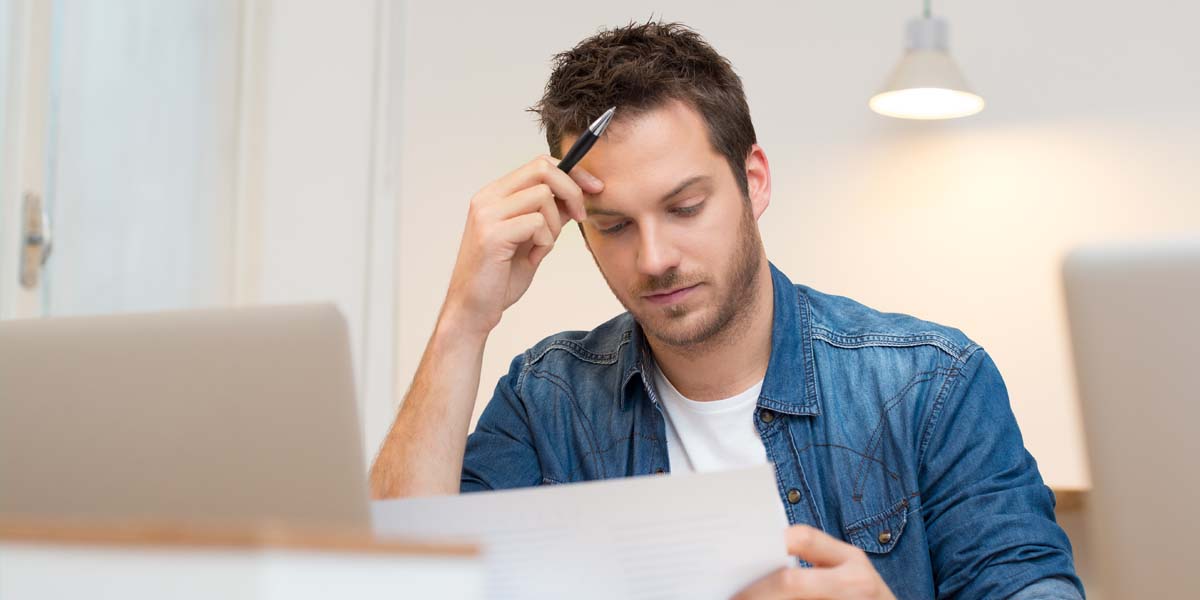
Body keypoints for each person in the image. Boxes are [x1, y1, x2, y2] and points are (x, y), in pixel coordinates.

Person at [369, 21, 1084, 599]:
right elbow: (390, 585)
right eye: (613, 225)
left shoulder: (932, 386)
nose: (653, 258)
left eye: (684, 207)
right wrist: (466, 319)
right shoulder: (547, 399)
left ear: (754, 181)